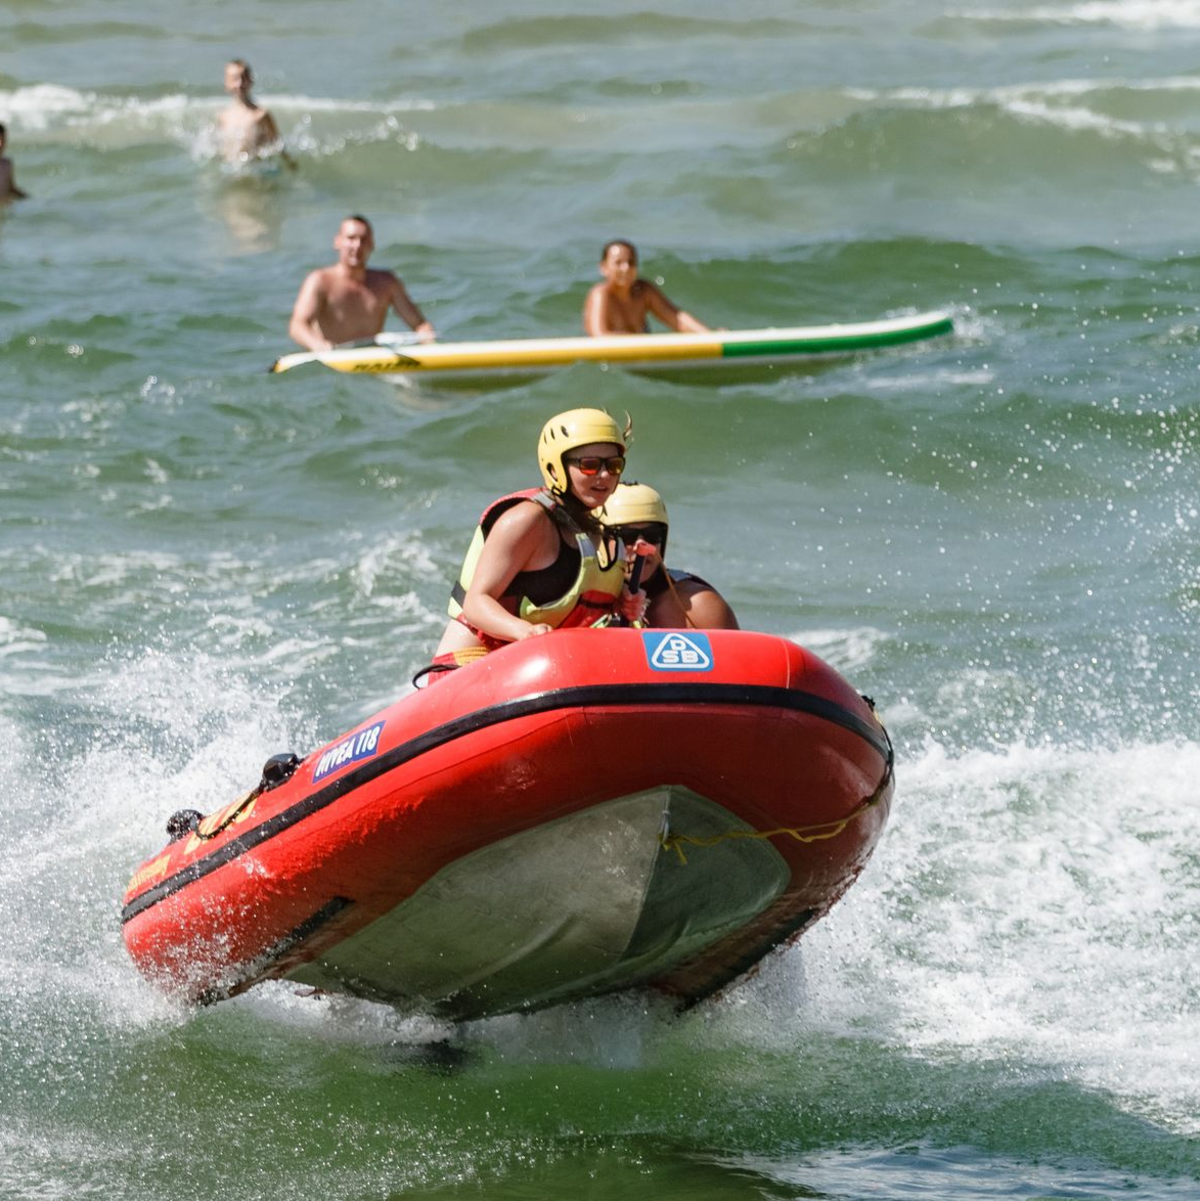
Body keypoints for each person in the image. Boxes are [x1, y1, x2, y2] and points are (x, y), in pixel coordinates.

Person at [427, 408, 650, 679]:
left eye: (613, 465)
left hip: (533, 669)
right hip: (466, 667)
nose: (604, 475)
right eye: (590, 465)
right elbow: (476, 603)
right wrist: (526, 632)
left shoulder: (596, 535)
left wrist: (622, 601)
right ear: (555, 467)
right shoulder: (527, 520)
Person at [601, 482, 740, 630]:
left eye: (652, 535)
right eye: (627, 536)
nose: (641, 545)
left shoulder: (699, 606)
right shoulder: (585, 599)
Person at [288, 214, 436, 351]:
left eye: (363, 240)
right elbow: (297, 326)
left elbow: (419, 325)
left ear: (372, 245)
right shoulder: (320, 281)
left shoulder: (387, 283)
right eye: (351, 238)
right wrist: (319, 346)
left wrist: (430, 343)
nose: (357, 245)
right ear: (337, 242)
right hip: (333, 359)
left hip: (372, 359)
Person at [583, 239, 708, 336]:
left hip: (641, 355)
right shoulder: (601, 294)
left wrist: (707, 335)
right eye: (618, 263)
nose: (626, 268)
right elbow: (599, 336)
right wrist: (640, 340)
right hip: (611, 358)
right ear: (603, 268)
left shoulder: (644, 291)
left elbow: (677, 320)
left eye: (631, 262)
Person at [217, 59, 293, 166]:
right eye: (234, 79)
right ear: (226, 83)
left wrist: (289, 162)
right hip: (231, 167)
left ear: (250, 80)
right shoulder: (223, 116)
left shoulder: (261, 114)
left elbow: (277, 143)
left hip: (256, 168)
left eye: (243, 78)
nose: (239, 83)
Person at [0, 123, 28, 202]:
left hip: (5, 206)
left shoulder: (7, 164)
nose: (1, 144)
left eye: (3, 140)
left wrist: (27, 198)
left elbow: (10, 188)